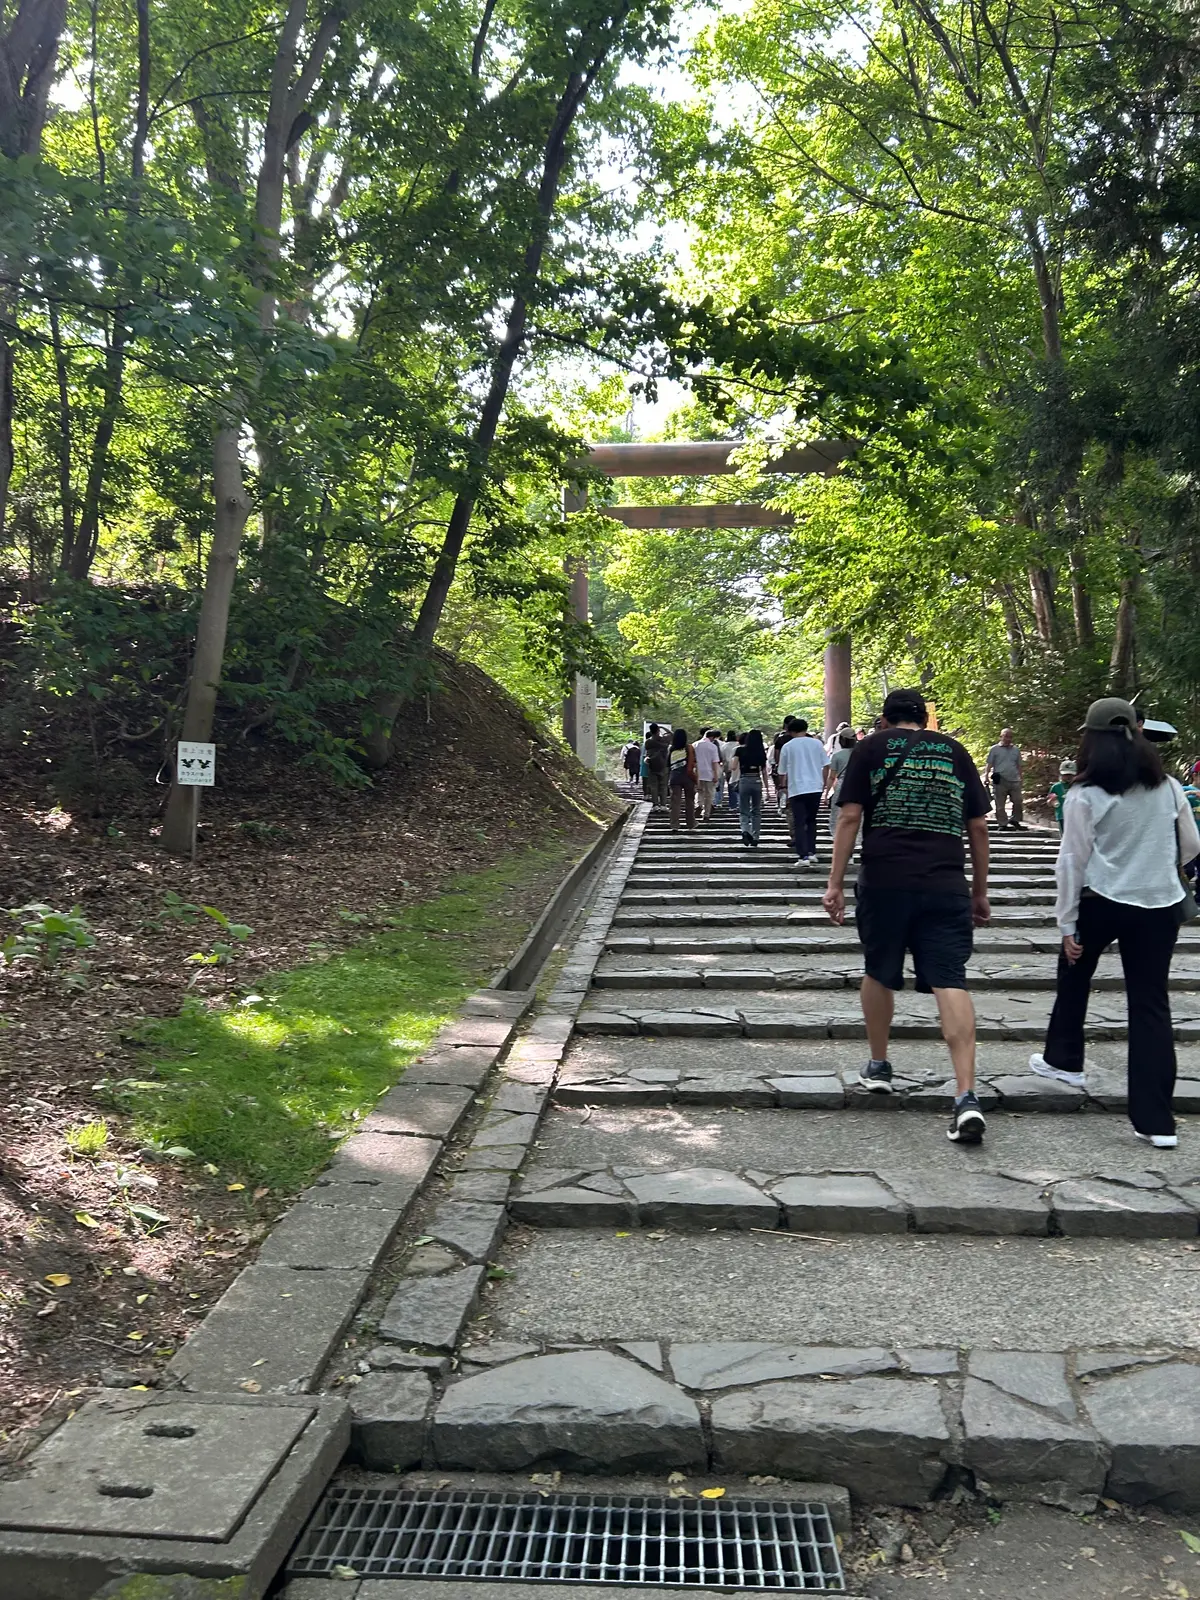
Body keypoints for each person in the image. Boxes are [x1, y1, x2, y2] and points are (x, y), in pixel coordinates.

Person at [823, 688, 992, 1144]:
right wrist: (979, 891)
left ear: (884, 718)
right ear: (924, 718)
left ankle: (879, 1065)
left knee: (878, 970)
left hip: (885, 881)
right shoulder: (955, 751)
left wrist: (835, 883)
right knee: (950, 979)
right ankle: (966, 1095)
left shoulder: (869, 749)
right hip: (945, 884)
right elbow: (977, 825)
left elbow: (850, 816)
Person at [1029, 698, 1200, 1146]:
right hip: (1159, 905)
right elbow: (1191, 844)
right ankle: (1157, 1122)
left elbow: (1072, 862)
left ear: (1091, 738)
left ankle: (1065, 1060)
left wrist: (1067, 924)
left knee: (1074, 969)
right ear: (1137, 734)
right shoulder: (1168, 787)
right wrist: (1155, 869)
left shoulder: (1086, 794)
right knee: (1150, 1005)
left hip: (1101, 900)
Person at [777, 718, 830, 868]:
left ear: (790, 731)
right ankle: (812, 852)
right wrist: (824, 783)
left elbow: (782, 771)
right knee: (812, 820)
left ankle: (803, 856)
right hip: (815, 787)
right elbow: (826, 764)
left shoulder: (788, 746)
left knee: (799, 822)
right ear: (805, 728)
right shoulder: (817, 743)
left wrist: (783, 786)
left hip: (797, 788)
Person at [732, 729, 768, 846]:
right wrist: (767, 789)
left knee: (744, 810)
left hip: (744, 780)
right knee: (756, 810)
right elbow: (764, 772)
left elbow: (733, 767)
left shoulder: (740, 750)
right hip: (757, 780)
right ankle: (756, 836)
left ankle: (745, 831)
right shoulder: (761, 752)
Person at [985, 728, 1025, 829]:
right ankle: (1002, 823)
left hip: (1014, 779)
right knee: (1000, 804)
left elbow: (1019, 765)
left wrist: (1021, 777)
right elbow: (989, 763)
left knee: (1018, 801)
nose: (1008, 739)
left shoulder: (1016, 750)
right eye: (1006, 736)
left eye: (1010, 737)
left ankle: (1015, 820)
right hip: (1000, 780)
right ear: (1001, 736)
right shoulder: (994, 749)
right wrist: (986, 776)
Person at [824, 727, 858, 842]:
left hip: (841, 786)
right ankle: (853, 843)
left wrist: (827, 793)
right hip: (858, 785)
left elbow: (831, 777)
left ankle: (839, 839)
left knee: (838, 814)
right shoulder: (862, 753)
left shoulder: (837, 756)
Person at [668, 726, 698, 832]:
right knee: (689, 801)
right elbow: (692, 764)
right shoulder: (689, 747)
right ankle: (691, 823)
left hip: (674, 778)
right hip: (687, 777)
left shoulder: (671, 749)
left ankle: (674, 824)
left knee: (675, 802)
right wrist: (695, 779)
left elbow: (668, 764)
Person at [769, 716, 799, 810]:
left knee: (783, 787)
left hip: (785, 768)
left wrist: (779, 767)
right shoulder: (807, 738)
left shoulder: (780, 739)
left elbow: (777, 756)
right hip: (799, 768)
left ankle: (782, 805)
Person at [694, 729, 722, 822]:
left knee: (699, 791)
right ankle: (706, 814)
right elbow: (715, 762)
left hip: (697, 772)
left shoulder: (694, 745)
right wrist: (715, 775)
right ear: (712, 737)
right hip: (709, 773)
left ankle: (698, 805)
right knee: (709, 794)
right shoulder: (713, 747)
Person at [643, 723, 670, 810]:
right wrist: (663, 728)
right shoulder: (664, 740)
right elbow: (672, 735)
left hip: (652, 765)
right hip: (664, 765)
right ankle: (663, 805)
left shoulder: (648, 742)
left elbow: (648, 752)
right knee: (663, 786)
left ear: (650, 731)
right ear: (658, 730)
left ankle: (655, 805)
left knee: (654, 786)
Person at [1047, 759, 1075, 835]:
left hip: (1076, 816)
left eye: (1070, 775)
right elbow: (1049, 803)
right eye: (1065, 775)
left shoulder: (1078, 786)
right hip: (1062, 815)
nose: (1068, 777)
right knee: (1064, 836)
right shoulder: (1056, 787)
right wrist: (1052, 800)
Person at [718, 729, 739, 809]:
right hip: (739, 768)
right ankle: (740, 803)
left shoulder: (723, 746)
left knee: (731, 786)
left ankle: (733, 804)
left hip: (728, 768)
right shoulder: (738, 745)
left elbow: (722, 758)